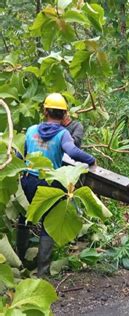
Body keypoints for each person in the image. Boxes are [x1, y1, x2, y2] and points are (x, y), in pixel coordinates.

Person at [17, 93, 96, 277]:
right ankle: (42, 273)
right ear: (64, 114)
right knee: (48, 223)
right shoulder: (63, 134)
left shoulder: (30, 130)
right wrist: (91, 160)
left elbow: (23, 156)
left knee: (24, 218)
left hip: (28, 181)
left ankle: (21, 264)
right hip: (50, 183)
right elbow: (72, 151)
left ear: (45, 111)